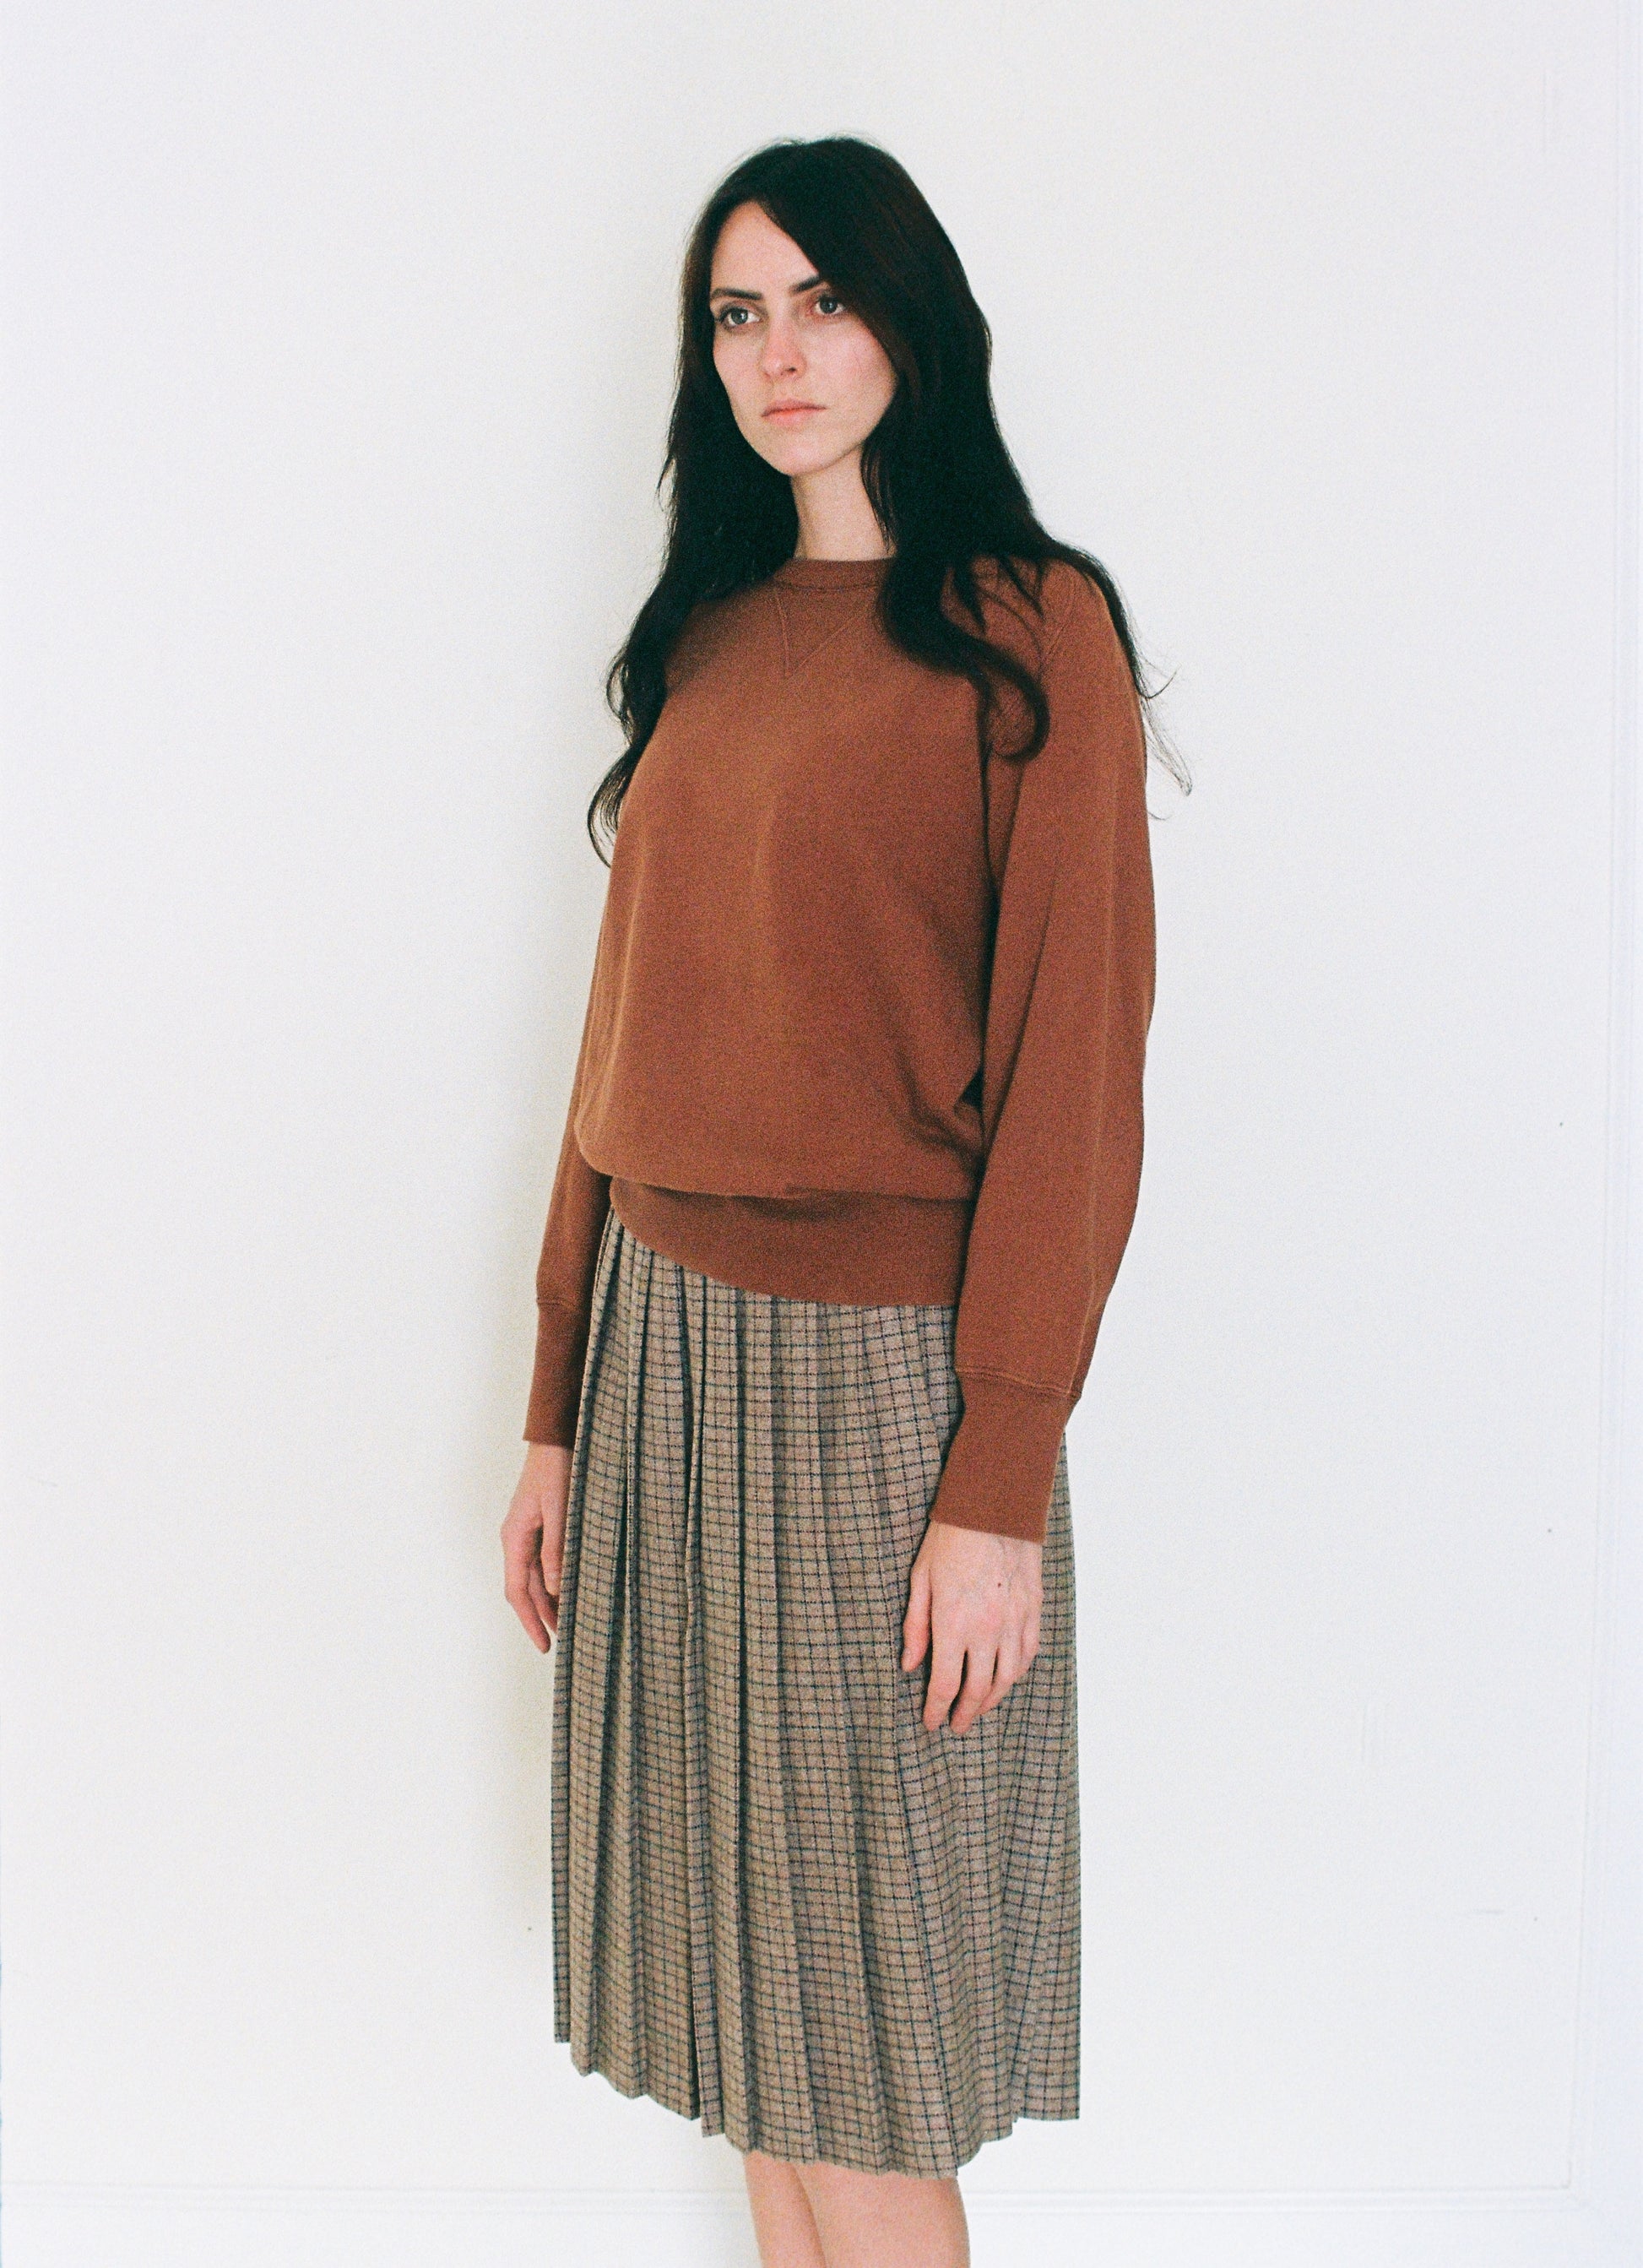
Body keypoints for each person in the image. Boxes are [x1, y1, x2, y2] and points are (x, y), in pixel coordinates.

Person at [501, 133, 1180, 2268]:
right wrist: (551, 1402)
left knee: (862, 2032)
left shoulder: (1027, 629)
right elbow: (616, 1058)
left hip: (881, 1388)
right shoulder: (704, 636)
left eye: (821, 300)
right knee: (749, 2024)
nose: (778, 353)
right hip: (662, 1367)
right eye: (737, 313)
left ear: (908, 318)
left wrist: (997, 1475)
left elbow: (1076, 1082)